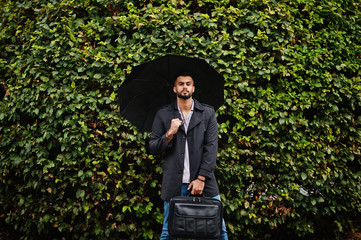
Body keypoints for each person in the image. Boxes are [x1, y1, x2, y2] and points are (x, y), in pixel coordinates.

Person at [149, 72, 228, 240]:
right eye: (180, 83)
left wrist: (201, 178)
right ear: (174, 88)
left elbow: (211, 147)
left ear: (193, 88)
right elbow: (153, 147)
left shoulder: (207, 113)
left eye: (188, 83)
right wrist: (169, 134)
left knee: (219, 231)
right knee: (168, 232)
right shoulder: (163, 114)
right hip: (174, 184)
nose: (184, 86)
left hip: (204, 183)